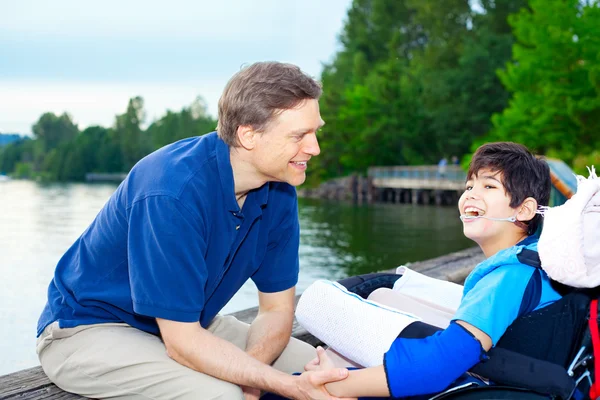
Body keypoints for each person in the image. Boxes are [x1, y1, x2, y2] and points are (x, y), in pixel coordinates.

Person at [35, 62, 351, 400]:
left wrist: (252, 378)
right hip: (88, 330)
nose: (314, 148)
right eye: (299, 135)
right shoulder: (171, 192)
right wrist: (275, 384)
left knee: (329, 374)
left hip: (184, 324)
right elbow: (183, 343)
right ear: (248, 135)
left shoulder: (278, 189)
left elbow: (276, 311)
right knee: (220, 395)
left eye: (315, 131)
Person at [297, 142, 560, 399]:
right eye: (469, 186)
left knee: (319, 315)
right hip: (516, 377)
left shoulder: (510, 276)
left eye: (489, 186)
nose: (470, 194)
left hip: (493, 387)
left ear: (524, 210)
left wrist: (337, 385)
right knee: (380, 299)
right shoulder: (532, 261)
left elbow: (439, 365)